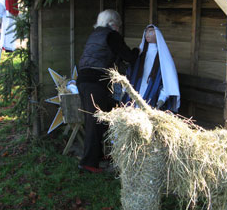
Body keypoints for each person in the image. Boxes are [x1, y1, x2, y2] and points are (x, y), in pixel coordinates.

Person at [77, 9, 139, 173]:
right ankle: (88, 163)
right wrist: (139, 50)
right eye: (118, 25)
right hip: (94, 82)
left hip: (84, 80)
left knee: (98, 119)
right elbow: (128, 57)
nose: (119, 28)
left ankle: (97, 155)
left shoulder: (95, 34)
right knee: (95, 121)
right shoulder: (111, 35)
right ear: (113, 24)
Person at [123, 24, 180, 112]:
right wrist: (125, 88)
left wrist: (162, 97)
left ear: (157, 35)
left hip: (152, 90)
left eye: (151, 32)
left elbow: (167, 78)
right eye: (146, 31)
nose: (147, 34)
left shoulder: (163, 57)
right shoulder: (140, 54)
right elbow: (131, 72)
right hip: (138, 87)